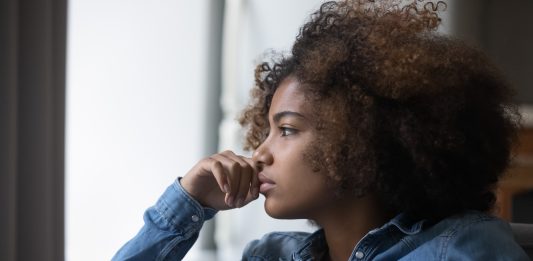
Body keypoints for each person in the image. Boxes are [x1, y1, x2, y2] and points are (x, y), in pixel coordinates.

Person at [112, 0, 529, 260]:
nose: (259, 155)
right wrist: (188, 203)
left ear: (363, 140)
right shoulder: (270, 256)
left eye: (288, 130)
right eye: (267, 130)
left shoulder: (459, 248)